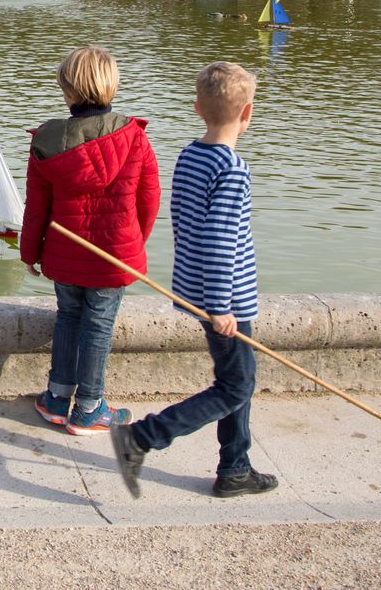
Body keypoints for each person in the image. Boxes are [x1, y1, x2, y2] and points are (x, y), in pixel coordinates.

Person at [109, 61, 276, 500]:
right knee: (237, 384)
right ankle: (143, 436)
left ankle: (235, 468)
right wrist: (223, 306)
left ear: (198, 108)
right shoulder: (231, 169)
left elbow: (186, 225)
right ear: (248, 113)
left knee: (233, 381)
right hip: (226, 297)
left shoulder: (190, 155)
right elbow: (220, 242)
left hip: (198, 286)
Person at [20, 47, 160, 435]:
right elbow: (148, 200)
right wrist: (134, 244)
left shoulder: (46, 141)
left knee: (68, 318)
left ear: (66, 92)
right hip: (114, 254)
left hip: (64, 254)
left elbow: (36, 208)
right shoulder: (133, 136)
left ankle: (56, 397)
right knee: (98, 326)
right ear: (112, 85)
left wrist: (29, 252)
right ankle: (89, 408)